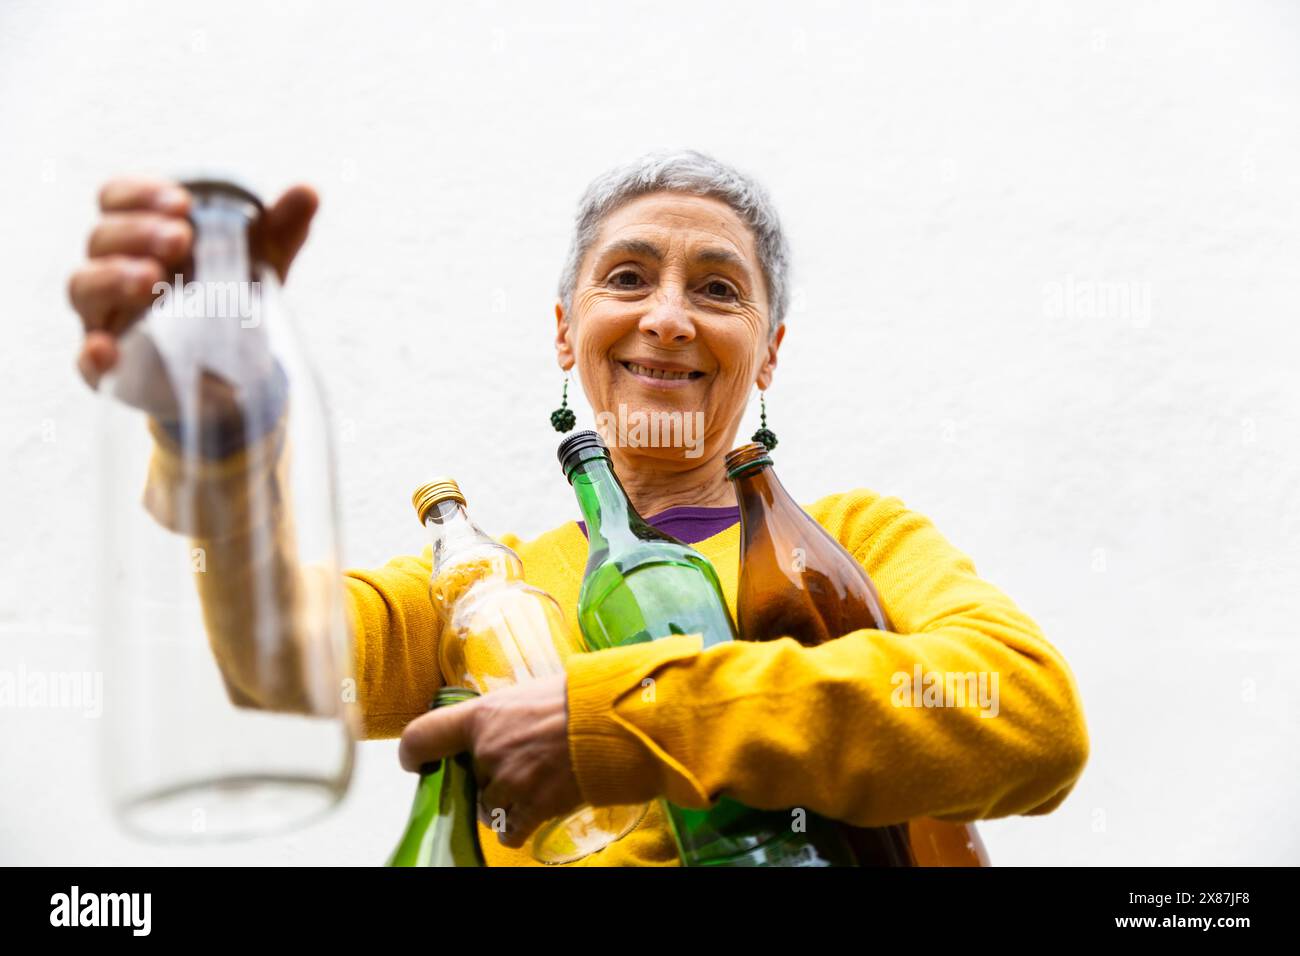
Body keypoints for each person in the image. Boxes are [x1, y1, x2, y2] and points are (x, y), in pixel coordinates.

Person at [68, 149, 1089, 866]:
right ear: (568, 332)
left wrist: (614, 721)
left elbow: (1026, 713)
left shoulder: (852, 540)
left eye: (720, 290)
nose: (666, 315)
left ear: (769, 350)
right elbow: (282, 659)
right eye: (629, 276)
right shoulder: (481, 591)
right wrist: (227, 428)